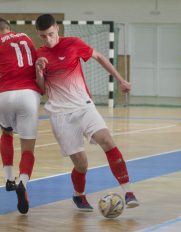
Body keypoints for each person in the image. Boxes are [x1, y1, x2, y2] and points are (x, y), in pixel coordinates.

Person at [34, 14, 139, 211]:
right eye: (43, 36)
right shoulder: (39, 55)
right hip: (60, 114)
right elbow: (41, 89)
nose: (47, 39)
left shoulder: (73, 44)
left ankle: (129, 192)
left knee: (107, 141)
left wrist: (120, 80)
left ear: (57, 28)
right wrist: (39, 72)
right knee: (82, 165)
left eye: (50, 34)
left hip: (84, 106)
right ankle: (79, 195)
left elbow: (99, 57)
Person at [0, 18, 43, 214]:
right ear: (9, 28)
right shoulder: (27, 37)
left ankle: (9, 178)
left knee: (6, 133)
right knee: (28, 149)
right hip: (29, 94)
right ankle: (23, 182)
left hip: (4, 94)